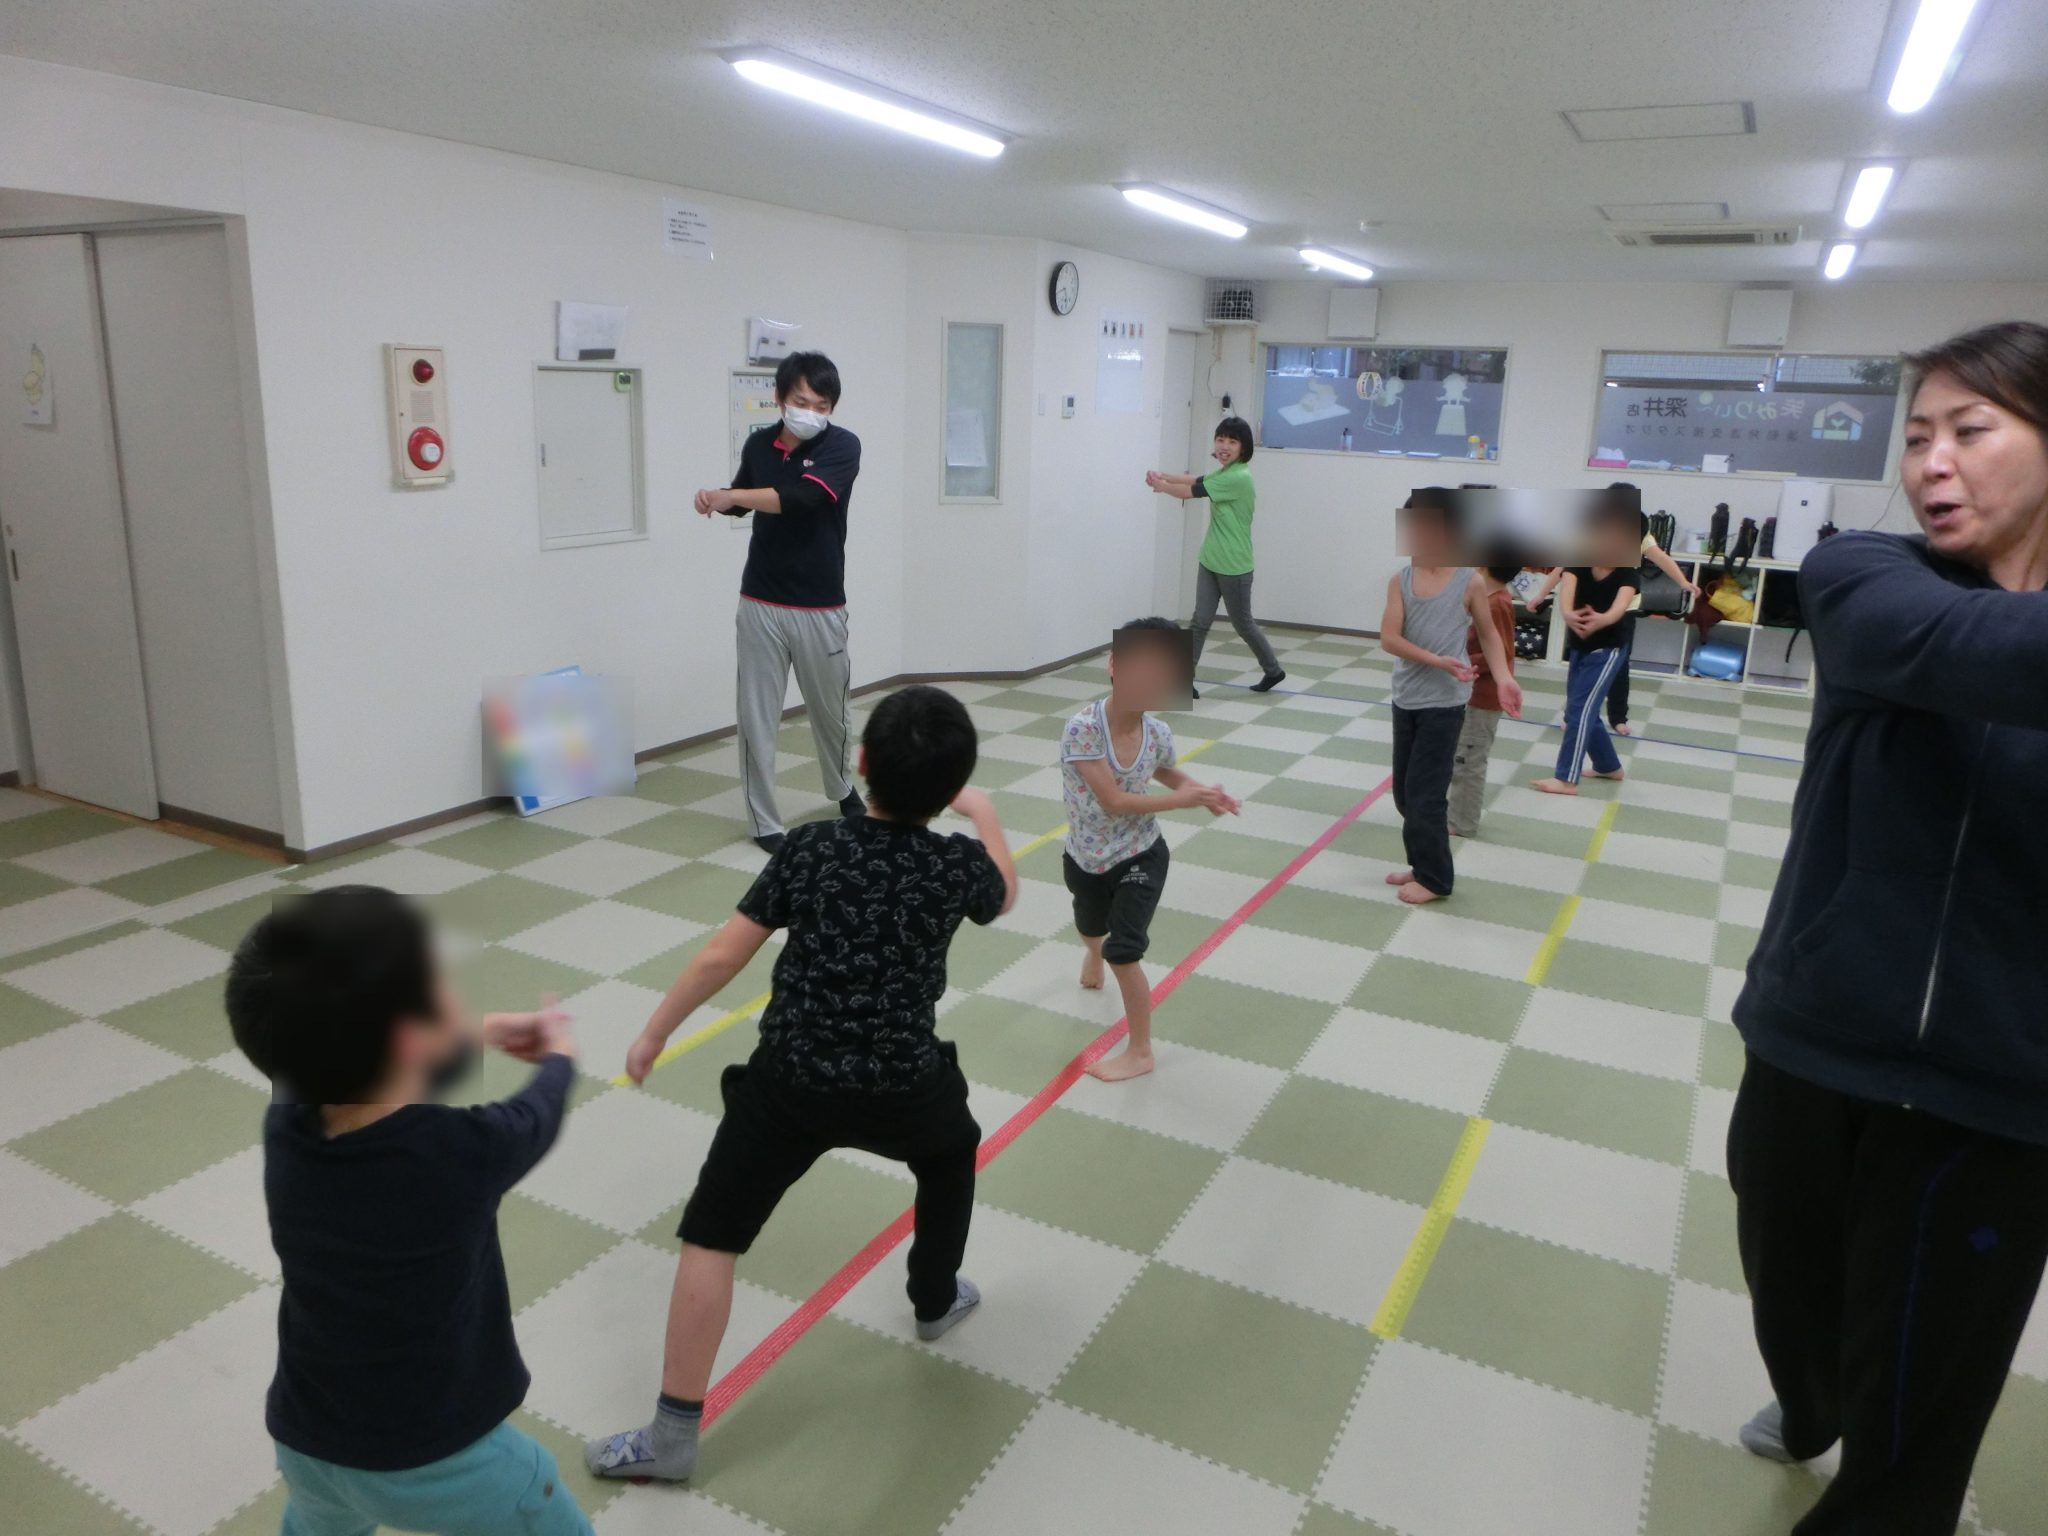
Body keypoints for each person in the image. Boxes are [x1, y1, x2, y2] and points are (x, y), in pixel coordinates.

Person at [1726, 320, 2048, 1535]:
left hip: (1994, 1094)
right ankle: (1808, 1401)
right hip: (1815, 1037)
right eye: (1916, 436)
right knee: (1792, 1302)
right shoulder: (1864, 574)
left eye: (1970, 430)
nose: (1931, 463)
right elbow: (1960, 651)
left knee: (1915, 1433)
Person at [585, 685, 1019, 1483]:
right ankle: (933, 1300)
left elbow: (724, 954)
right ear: (948, 786)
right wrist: (983, 813)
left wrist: (655, 1030)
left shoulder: (813, 849)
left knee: (713, 1233)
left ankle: (673, 1435)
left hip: (789, 1077)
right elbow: (1004, 891)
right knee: (953, 1150)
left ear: (860, 764)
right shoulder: (954, 866)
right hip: (901, 1079)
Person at [224, 886, 591, 1536]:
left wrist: (475, 1033)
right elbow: (532, 1118)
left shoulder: (289, 1123)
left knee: (317, 1525)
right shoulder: (457, 1152)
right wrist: (559, 1058)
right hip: (435, 1458)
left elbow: (377, 1066)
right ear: (409, 1035)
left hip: (308, 1436)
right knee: (545, 1512)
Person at [697, 352, 864, 856]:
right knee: (757, 715)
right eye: (800, 401)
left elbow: (804, 498)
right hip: (761, 601)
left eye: (821, 403)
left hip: (820, 604)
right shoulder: (758, 444)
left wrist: (736, 494)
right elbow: (745, 497)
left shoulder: (843, 445)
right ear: (779, 398)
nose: (810, 411)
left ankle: (841, 787)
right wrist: (716, 497)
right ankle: (764, 819)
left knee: (831, 712)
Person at [1061, 619, 1241, 1081]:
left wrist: (1203, 793)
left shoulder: (1157, 732)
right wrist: (1184, 799)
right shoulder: (1083, 730)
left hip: (1142, 853)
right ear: (1114, 666)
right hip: (1086, 855)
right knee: (1090, 927)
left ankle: (1140, 1051)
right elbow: (1114, 800)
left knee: (1124, 949)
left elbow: (1170, 775)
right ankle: (1092, 951)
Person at [1380, 491, 1523, 903]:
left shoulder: (1469, 581)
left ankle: (1436, 880)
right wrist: (1434, 660)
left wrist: (1505, 678)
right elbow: (1389, 638)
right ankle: (1422, 862)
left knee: (1425, 794)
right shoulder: (1401, 581)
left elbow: (1491, 635)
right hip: (1406, 697)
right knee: (1406, 796)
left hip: (1445, 705)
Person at [1530, 486, 1701, 734]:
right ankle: (1573, 714)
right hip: (1587, 607)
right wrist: (1541, 594)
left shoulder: (1637, 532)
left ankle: (1618, 717)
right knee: (1578, 663)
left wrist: (1683, 582)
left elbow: (1660, 558)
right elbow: (1564, 567)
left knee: (1619, 665)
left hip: (1623, 608)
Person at [1145, 417, 1287, 697]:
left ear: (1243, 448)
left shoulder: (1238, 476)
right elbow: (1197, 480)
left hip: (1235, 565)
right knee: (1199, 621)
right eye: (1221, 439)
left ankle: (1273, 670)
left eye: (1232, 441)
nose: (1224, 446)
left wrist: (1162, 487)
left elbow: (1192, 491)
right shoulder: (1225, 472)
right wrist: (1164, 476)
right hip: (1211, 559)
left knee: (1243, 623)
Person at [1531, 494, 1640, 797]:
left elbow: (1619, 609)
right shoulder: (1578, 563)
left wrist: (1600, 620)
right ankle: (1609, 766)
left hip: (1608, 650)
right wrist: (1567, 614)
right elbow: (1567, 595)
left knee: (1579, 710)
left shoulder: (1628, 573)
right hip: (1579, 646)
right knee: (1578, 711)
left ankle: (1566, 779)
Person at [1447, 564, 1523, 839]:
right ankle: (1456, 814)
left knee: (1469, 760)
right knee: (1462, 757)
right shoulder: (1486, 600)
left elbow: (1500, 652)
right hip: (1472, 692)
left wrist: (1458, 661)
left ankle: (1463, 823)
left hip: (1483, 695)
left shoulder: (1496, 603)